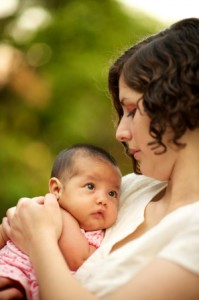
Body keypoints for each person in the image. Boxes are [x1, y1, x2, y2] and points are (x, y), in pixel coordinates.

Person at [1, 17, 199, 300]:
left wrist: (39, 240)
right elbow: (24, 221)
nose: (120, 132)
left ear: (179, 104)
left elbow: (38, 230)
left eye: (131, 110)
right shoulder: (127, 189)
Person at [0, 143, 121, 300]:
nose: (103, 199)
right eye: (90, 186)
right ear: (57, 189)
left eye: (112, 193)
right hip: (13, 273)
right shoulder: (58, 214)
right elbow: (78, 259)